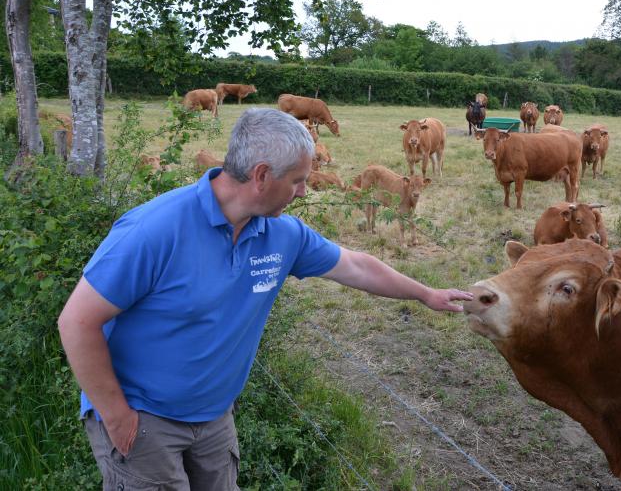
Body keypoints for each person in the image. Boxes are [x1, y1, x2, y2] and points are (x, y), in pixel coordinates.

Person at [58, 108, 474, 490]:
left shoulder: (281, 235)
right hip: (144, 419)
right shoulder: (155, 230)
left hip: (214, 417)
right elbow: (77, 322)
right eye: (297, 181)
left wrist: (426, 294)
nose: (305, 193)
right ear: (261, 176)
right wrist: (115, 415)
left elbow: (358, 266)